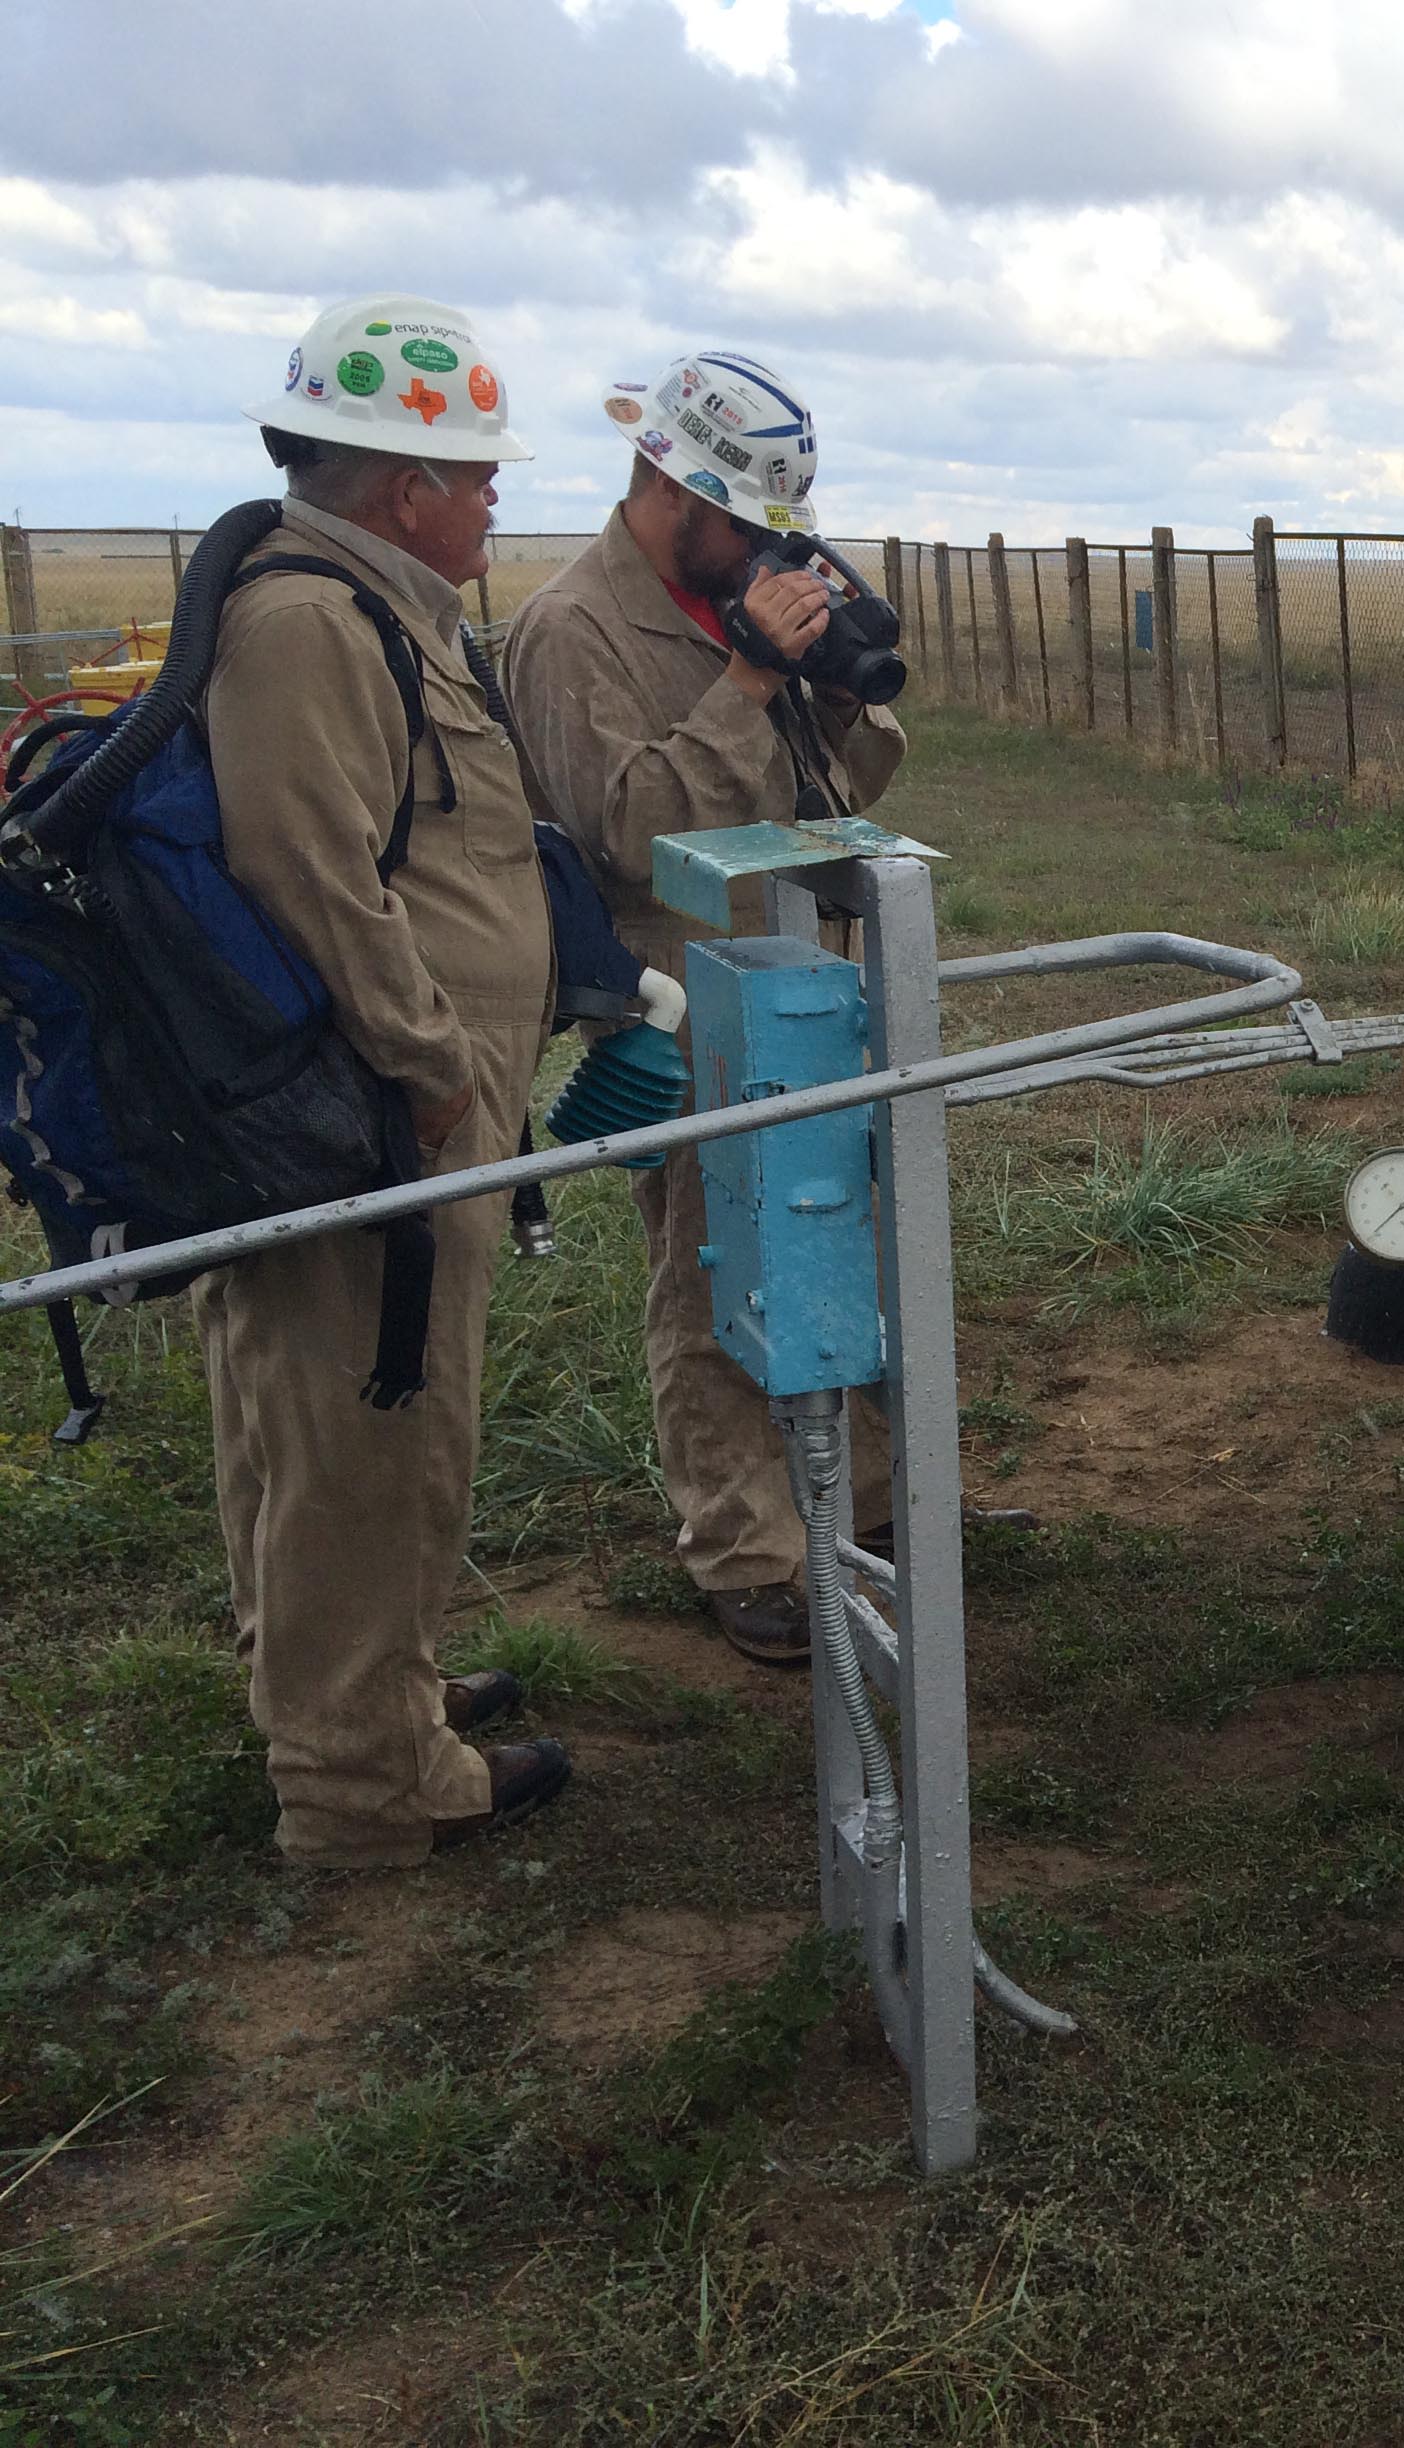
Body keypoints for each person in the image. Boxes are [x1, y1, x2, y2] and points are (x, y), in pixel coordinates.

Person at [205, 295, 568, 1863]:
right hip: (372, 1115)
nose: (493, 499)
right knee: (370, 1423)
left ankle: (359, 1690)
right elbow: (309, 875)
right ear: (404, 486)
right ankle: (362, 1783)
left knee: (332, 1418)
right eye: (476, 475)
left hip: (384, 1103)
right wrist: (431, 1065)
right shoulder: (308, 625)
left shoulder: (370, 605)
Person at [504, 352, 908, 1665]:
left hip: (809, 975)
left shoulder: (732, 587)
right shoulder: (577, 631)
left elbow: (829, 795)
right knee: (718, 1264)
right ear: (668, 483)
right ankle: (747, 1551)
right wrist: (738, 682)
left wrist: (833, 683)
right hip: (685, 993)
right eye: (740, 517)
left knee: (849, 1236)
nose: (758, 548)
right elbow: (627, 830)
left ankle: (876, 1508)